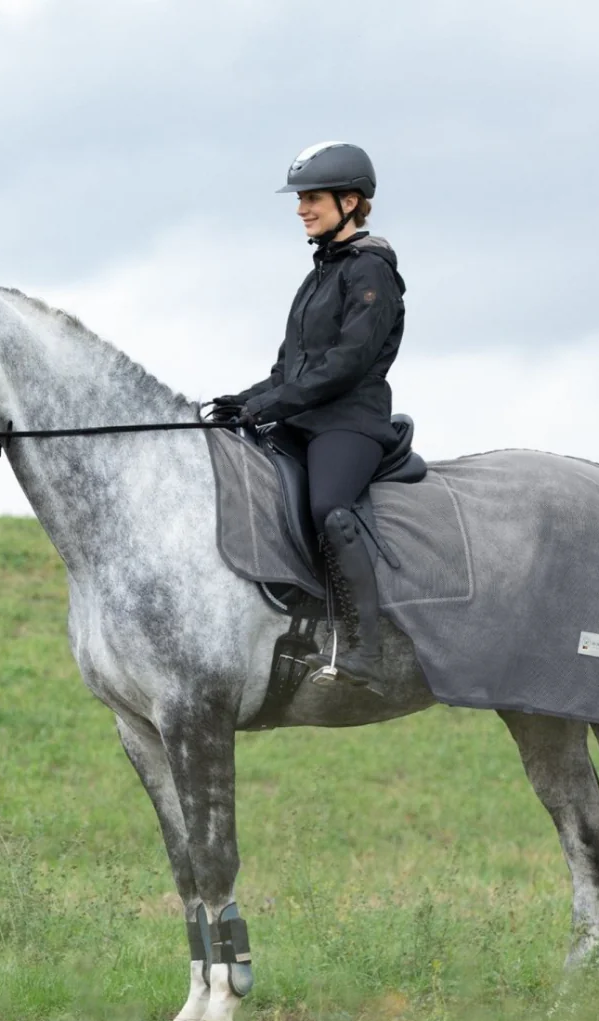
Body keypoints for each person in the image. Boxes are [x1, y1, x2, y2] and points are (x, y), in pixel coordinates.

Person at [213, 141, 406, 695]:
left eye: (313, 198)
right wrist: (239, 403)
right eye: (300, 199)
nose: (302, 209)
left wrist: (269, 406)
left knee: (329, 508)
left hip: (350, 421)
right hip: (303, 419)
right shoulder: (318, 276)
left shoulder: (372, 273)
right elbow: (287, 369)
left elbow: (345, 366)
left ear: (350, 202)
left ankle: (364, 650)